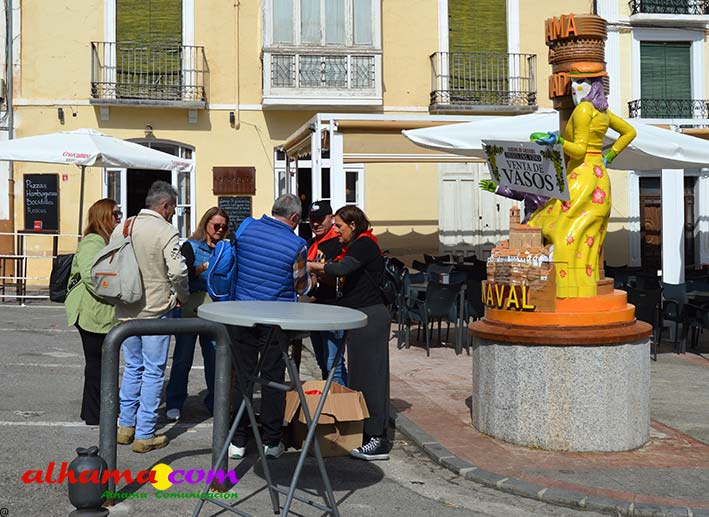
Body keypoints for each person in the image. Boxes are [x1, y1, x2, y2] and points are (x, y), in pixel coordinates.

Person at [529, 63, 636, 298]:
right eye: (573, 83)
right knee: (585, 235)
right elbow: (630, 132)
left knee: (558, 228)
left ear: (593, 85)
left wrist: (556, 142)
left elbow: (578, 151)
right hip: (598, 178)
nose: (574, 88)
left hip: (582, 175)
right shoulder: (603, 113)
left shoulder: (583, 110)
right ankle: (583, 285)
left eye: (580, 82)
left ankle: (566, 289)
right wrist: (609, 155)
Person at [228, 193, 312, 460]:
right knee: (273, 379)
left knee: (242, 377)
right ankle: (271, 440)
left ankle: (237, 440)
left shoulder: (246, 228)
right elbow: (302, 285)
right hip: (276, 319)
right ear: (294, 217)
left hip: (241, 314)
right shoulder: (297, 244)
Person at [307, 206, 391, 461]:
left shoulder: (364, 244)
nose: (336, 230)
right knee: (360, 378)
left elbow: (341, 269)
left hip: (371, 317)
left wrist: (310, 265)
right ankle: (365, 433)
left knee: (372, 379)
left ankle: (378, 439)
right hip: (359, 317)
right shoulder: (354, 245)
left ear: (353, 225)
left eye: (340, 226)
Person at [114, 181, 189, 453]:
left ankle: (125, 426)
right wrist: (182, 295)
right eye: (173, 208)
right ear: (164, 206)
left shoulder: (124, 226)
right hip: (156, 308)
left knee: (133, 367)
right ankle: (144, 433)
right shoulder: (165, 230)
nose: (173, 213)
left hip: (126, 308)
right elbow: (178, 271)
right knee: (154, 370)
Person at [165, 207, 229, 421]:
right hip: (191, 306)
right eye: (216, 225)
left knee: (214, 358)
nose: (220, 230)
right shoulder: (191, 246)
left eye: (224, 227)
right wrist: (202, 268)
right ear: (206, 224)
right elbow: (182, 276)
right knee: (183, 357)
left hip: (215, 309)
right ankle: (174, 402)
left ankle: (215, 402)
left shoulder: (225, 248)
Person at [65, 199, 121, 426]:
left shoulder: (106, 240)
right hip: (91, 312)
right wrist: (116, 294)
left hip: (100, 311)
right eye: (115, 214)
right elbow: (91, 276)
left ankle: (95, 410)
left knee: (101, 363)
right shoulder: (92, 241)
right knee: (97, 364)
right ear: (103, 216)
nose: (119, 217)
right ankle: (95, 413)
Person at [306, 200, 347, 386]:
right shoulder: (311, 244)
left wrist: (315, 271)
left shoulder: (338, 243)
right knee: (322, 362)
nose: (316, 223)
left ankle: (341, 401)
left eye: (320, 219)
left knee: (334, 364)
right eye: (312, 219)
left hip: (333, 309)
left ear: (330, 218)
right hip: (314, 309)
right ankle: (328, 399)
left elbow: (338, 275)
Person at [478, 179, 549, 224]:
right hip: (531, 222)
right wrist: (498, 188)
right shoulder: (528, 179)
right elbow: (518, 194)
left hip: (551, 222)